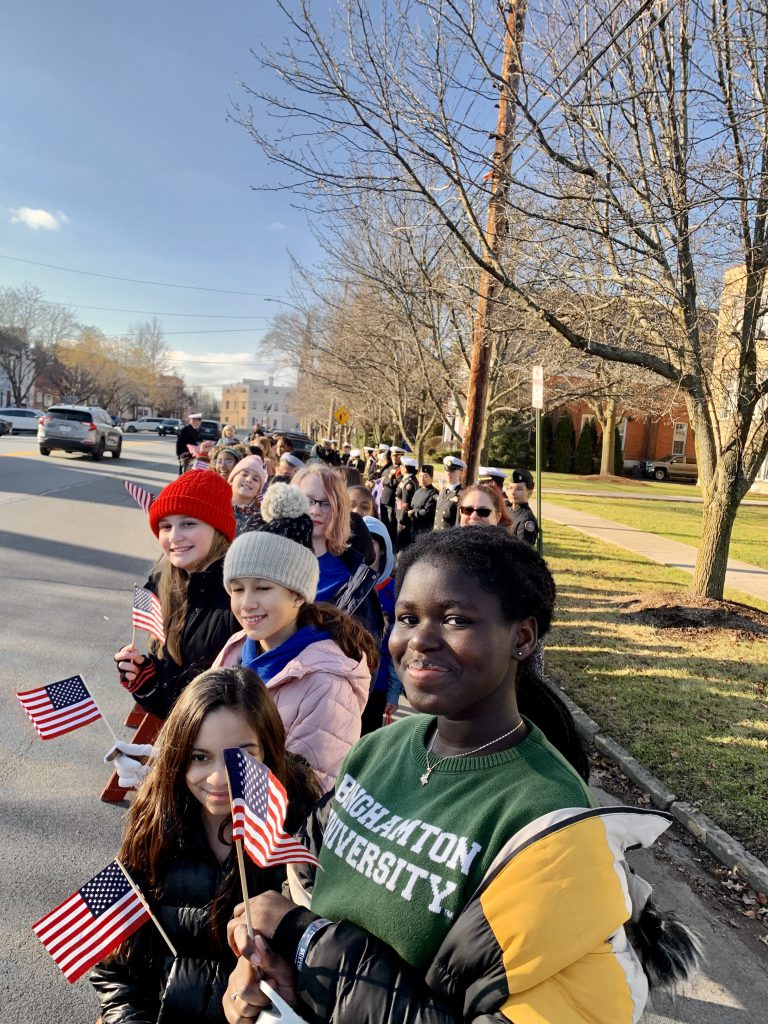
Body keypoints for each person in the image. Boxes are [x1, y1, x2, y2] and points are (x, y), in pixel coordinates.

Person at [223, 529, 701, 1023]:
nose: (420, 640)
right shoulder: (375, 751)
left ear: (522, 637)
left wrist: (308, 942)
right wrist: (275, 966)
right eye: (407, 618)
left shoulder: (549, 817)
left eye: (455, 620)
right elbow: (305, 888)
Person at [90, 666, 321, 1023]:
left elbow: (324, 981)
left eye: (240, 757)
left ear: (269, 752)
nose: (218, 778)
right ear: (178, 757)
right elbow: (114, 963)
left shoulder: (304, 835)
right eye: (200, 757)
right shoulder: (151, 823)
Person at [213, 484, 377, 792]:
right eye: (237, 589)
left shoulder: (327, 683)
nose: (247, 603)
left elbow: (308, 788)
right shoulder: (236, 649)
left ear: (298, 595)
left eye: (263, 589)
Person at [113, 471, 239, 720]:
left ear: (218, 529)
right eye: (166, 526)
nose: (174, 536)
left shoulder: (238, 596)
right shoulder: (163, 585)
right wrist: (144, 681)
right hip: (178, 735)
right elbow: (167, 705)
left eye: (188, 523)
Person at [292, 463, 383, 641]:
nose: (315, 510)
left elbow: (367, 651)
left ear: (338, 510)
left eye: (326, 503)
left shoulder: (352, 577)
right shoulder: (271, 563)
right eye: (308, 500)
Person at [359, 516, 403, 733]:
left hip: (378, 686)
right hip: (346, 683)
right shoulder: (345, 586)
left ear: (383, 548)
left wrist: (394, 691)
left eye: (371, 544)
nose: (364, 549)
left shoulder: (394, 592)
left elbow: (399, 648)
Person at [228, 455, 268, 535]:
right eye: (244, 475)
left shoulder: (262, 518)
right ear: (232, 480)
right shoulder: (217, 504)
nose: (249, 480)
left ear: (259, 490)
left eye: (255, 479)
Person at [507, 467, 539, 546]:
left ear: (529, 492)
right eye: (510, 488)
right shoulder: (508, 509)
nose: (513, 492)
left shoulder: (526, 519)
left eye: (519, 489)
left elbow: (523, 551)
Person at [394, 456, 419, 551]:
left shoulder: (409, 483)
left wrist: (401, 520)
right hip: (399, 513)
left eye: (402, 465)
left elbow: (406, 504)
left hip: (404, 518)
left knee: (402, 545)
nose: (400, 467)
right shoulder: (405, 479)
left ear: (405, 468)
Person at [434, 455, 465, 529]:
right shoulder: (443, 491)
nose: (448, 473)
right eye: (447, 470)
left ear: (461, 473)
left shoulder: (461, 494)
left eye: (452, 471)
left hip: (448, 537)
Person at [409, 463, 439, 537]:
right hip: (414, 527)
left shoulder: (434, 493)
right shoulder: (418, 490)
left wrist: (413, 513)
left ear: (431, 478)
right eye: (420, 476)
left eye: (425, 476)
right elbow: (413, 505)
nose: (422, 479)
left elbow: (428, 512)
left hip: (424, 531)